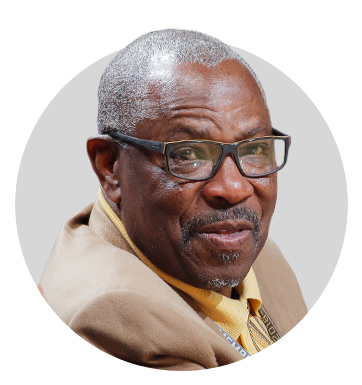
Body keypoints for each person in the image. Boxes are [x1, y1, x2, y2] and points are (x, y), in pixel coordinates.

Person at [38, 29, 307, 370]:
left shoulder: (253, 252)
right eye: (189, 154)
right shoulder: (116, 321)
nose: (233, 188)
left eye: (254, 149)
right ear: (110, 166)